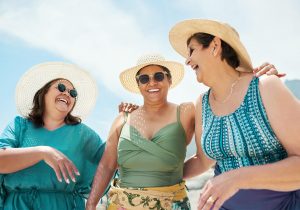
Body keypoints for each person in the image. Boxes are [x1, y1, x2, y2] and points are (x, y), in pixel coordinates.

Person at [85, 53, 280, 210]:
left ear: (169, 80)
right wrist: (91, 204)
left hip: (172, 204)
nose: (152, 82)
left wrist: (254, 80)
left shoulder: (187, 112)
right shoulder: (122, 119)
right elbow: (107, 166)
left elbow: (226, 105)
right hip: (121, 205)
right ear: (139, 86)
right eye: (144, 78)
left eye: (159, 76)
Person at [169, 19, 300, 210]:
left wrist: (237, 179)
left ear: (215, 46)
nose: (187, 60)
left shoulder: (265, 86)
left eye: (192, 50)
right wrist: (159, 175)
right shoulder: (202, 104)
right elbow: (202, 161)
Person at [0, 62, 106, 210]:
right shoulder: (19, 126)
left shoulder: (83, 134)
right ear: (43, 93)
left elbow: (109, 161)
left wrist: (124, 122)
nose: (67, 93)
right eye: (61, 87)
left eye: (73, 93)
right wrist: (43, 152)